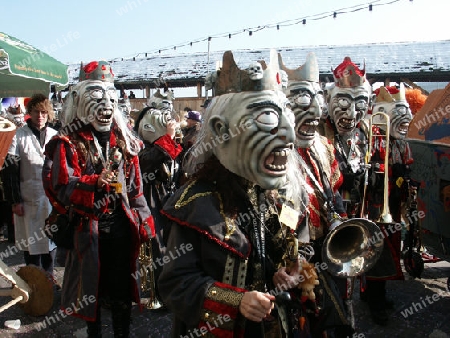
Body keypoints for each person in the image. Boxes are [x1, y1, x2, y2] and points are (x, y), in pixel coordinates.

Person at [158, 50, 299, 337]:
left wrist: (277, 273)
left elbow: (259, 256)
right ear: (221, 130)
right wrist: (237, 300)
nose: (289, 135)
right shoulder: (195, 203)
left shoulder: (264, 192)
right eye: (268, 118)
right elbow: (174, 284)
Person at [42, 60, 155, 338]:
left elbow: (135, 189)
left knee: (120, 291)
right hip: (89, 230)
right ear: (80, 99)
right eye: (96, 96)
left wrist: (145, 221)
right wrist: (94, 182)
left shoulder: (125, 142)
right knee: (90, 292)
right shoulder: (67, 143)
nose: (106, 104)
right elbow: (61, 186)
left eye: (110, 97)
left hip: (121, 228)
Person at [279, 52, 354, 337]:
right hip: (293, 253)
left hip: (325, 243)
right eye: (300, 101)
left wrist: (339, 220)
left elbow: (331, 189)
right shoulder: (273, 152)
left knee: (333, 308)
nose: (313, 113)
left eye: (315, 101)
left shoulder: (322, 145)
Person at [360, 84, 414, 325]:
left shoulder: (401, 143)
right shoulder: (374, 140)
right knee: (377, 252)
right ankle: (374, 300)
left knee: (389, 250)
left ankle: (377, 294)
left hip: (391, 206)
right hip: (376, 205)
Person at [1, 93, 58, 277]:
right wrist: (14, 200)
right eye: (36, 112)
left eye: (43, 112)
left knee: (50, 241)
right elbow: (10, 171)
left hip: (50, 199)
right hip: (27, 198)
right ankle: (33, 280)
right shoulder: (19, 135)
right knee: (30, 242)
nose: (40, 116)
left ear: (48, 113)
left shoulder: (54, 136)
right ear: (29, 113)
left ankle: (49, 279)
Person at [134, 96, 183, 308]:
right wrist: (169, 137)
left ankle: (169, 290)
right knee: (157, 247)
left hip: (165, 199)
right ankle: (158, 294)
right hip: (151, 200)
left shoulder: (159, 147)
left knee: (170, 247)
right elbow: (153, 158)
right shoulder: (143, 149)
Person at [321, 57, 375, 219]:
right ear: (327, 98)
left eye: (360, 104)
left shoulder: (365, 132)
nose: (351, 114)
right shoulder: (318, 133)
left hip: (357, 207)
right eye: (343, 102)